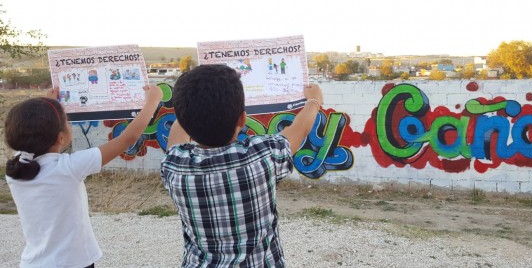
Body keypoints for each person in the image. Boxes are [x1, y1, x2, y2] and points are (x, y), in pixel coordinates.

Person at [161, 64, 323, 267]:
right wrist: (314, 101)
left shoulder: (175, 167)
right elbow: (301, 129)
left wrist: (192, 104)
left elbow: (178, 135)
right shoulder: (264, 156)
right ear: (242, 119)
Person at [5, 85, 163, 268]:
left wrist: (49, 105)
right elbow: (128, 138)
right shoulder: (69, 168)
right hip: (73, 263)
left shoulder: (16, 168)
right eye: (68, 123)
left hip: (33, 263)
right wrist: (153, 101)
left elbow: (29, 130)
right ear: (61, 138)